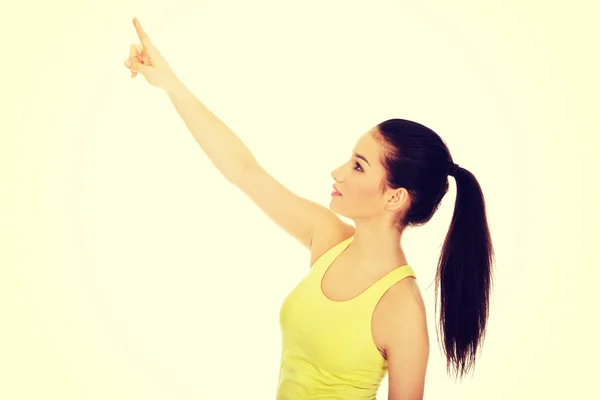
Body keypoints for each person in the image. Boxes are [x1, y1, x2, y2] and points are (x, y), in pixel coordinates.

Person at [124, 17, 495, 400]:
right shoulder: (328, 236)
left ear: (394, 197)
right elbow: (243, 170)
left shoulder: (401, 309)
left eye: (358, 166)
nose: (338, 172)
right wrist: (170, 84)